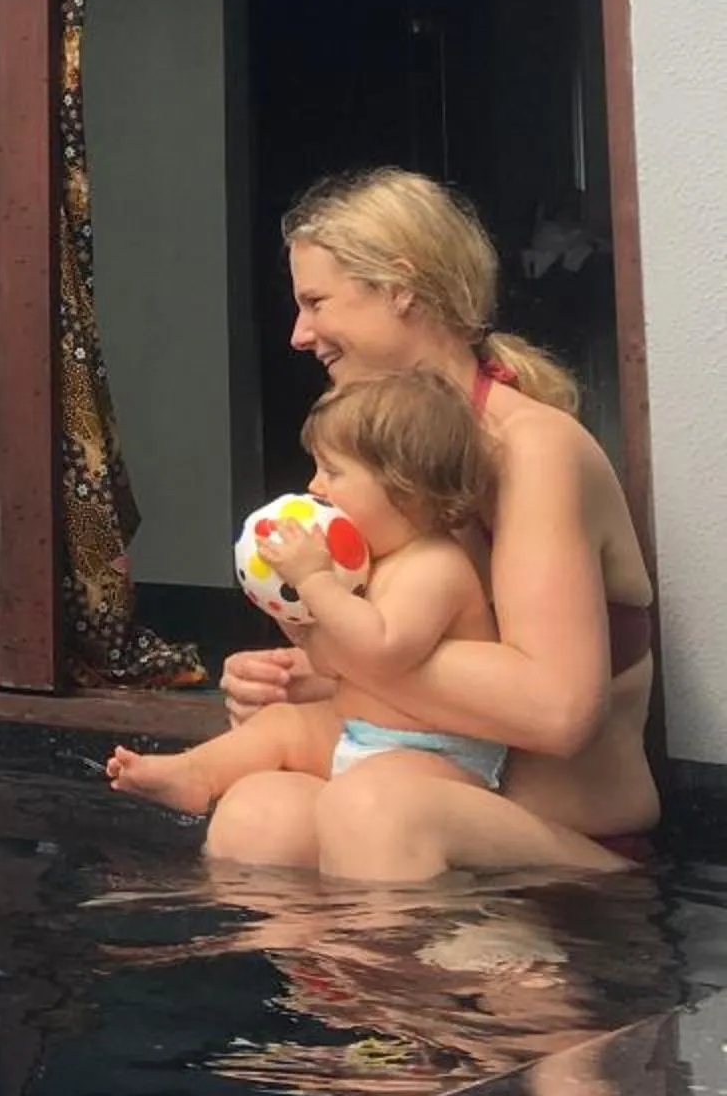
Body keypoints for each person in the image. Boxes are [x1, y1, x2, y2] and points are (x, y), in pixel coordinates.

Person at [209, 169, 657, 882]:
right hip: (419, 807)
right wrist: (299, 676)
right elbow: (403, 673)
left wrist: (343, 653)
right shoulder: (374, 465)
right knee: (255, 814)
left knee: (378, 809)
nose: (298, 335)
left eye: (316, 301)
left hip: (568, 850)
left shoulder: (530, 448)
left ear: (400, 287)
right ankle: (340, 995)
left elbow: (555, 710)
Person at [108, 370, 503, 816]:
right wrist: (290, 604)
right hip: (362, 735)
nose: (315, 486)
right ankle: (197, 773)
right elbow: (334, 661)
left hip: (438, 756)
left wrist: (315, 581)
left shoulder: (435, 566)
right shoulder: (372, 564)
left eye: (332, 471)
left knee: (373, 798)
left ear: (403, 486)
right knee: (280, 724)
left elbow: (381, 653)